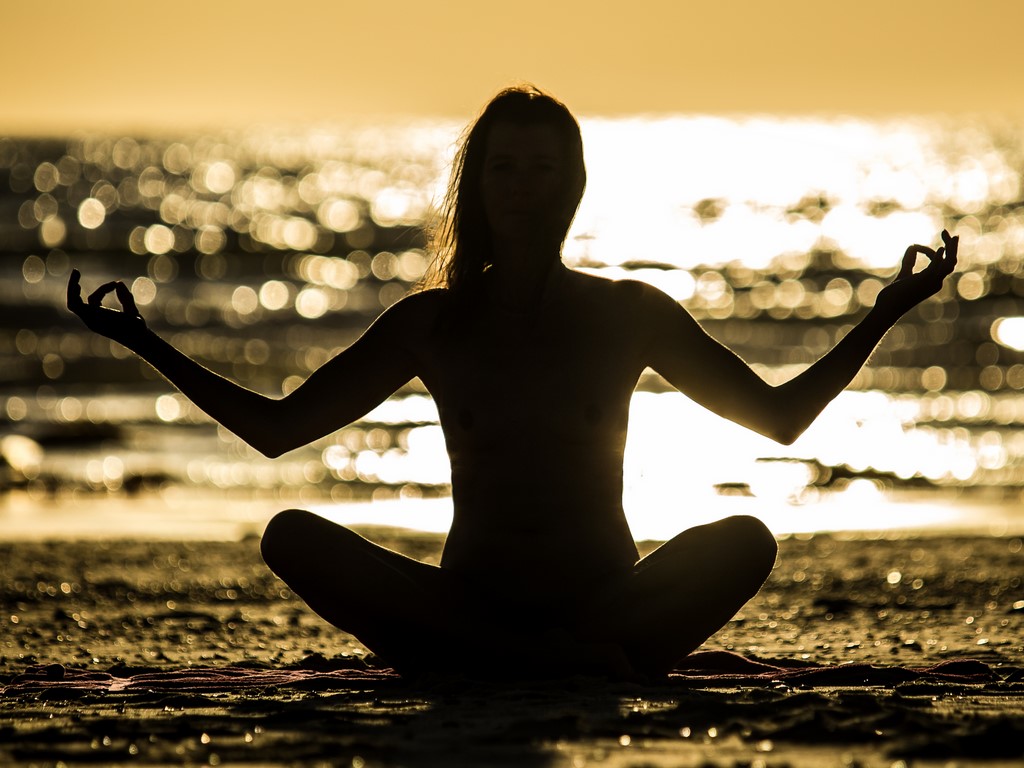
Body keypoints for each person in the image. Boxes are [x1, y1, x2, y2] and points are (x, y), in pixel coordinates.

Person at [68, 86, 958, 680]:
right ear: (478, 187)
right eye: (504, 168)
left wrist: (886, 311)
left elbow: (780, 418)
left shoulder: (630, 311)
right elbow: (277, 428)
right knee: (292, 534)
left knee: (747, 538)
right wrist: (143, 341)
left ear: (571, 183)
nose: (523, 187)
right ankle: (548, 657)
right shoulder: (433, 319)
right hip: (468, 608)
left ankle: (540, 656)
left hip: (608, 599)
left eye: (542, 168)